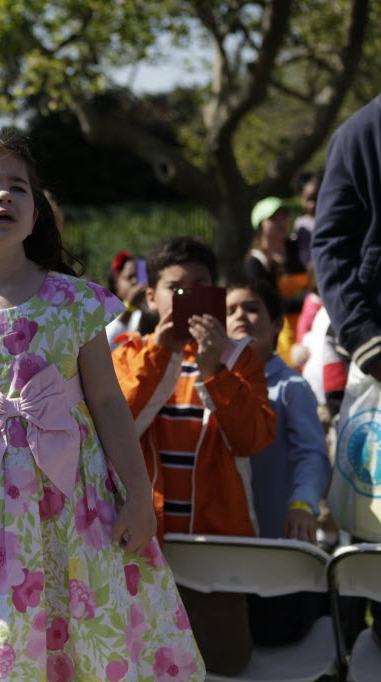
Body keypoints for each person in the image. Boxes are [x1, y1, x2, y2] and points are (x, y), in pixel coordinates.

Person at [0, 132, 202, 680]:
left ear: (35, 214)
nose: (4, 196)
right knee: (1, 651)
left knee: (87, 644)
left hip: (80, 513)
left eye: (18, 187)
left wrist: (138, 498)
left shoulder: (76, 302)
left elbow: (108, 403)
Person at [112, 235, 276, 675]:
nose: (190, 296)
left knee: (224, 663)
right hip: (145, 544)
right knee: (144, 664)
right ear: (151, 297)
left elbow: (252, 440)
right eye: (177, 288)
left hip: (215, 547)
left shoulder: (240, 357)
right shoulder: (130, 352)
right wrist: (160, 352)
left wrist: (212, 369)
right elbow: (115, 429)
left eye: (202, 285)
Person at [225, 279, 330, 645]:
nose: (240, 316)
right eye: (230, 310)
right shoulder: (210, 383)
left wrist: (302, 504)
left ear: (277, 325)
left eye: (252, 308)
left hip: (276, 547)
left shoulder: (290, 387)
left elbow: (312, 455)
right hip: (222, 548)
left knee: (276, 641)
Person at [311, 92, 381, 645]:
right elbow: (332, 245)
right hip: (380, 369)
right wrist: (366, 338)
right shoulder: (363, 131)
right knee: (372, 534)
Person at [245, 197, 309, 365]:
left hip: (310, 323)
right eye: (273, 219)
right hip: (282, 331)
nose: (281, 223)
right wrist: (306, 302)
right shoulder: (257, 262)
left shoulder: (299, 250)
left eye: (284, 217)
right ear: (260, 225)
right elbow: (268, 302)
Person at [105, 249, 157, 344]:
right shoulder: (104, 312)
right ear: (116, 281)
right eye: (130, 277)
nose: (135, 281)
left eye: (138, 277)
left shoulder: (151, 311)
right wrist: (129, 307)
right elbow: (108, 345)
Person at [295, 174, 320, 269]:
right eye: (309, 200)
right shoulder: (299, 223)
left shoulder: (325, 222)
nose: (313, 204)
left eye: (316, 199)